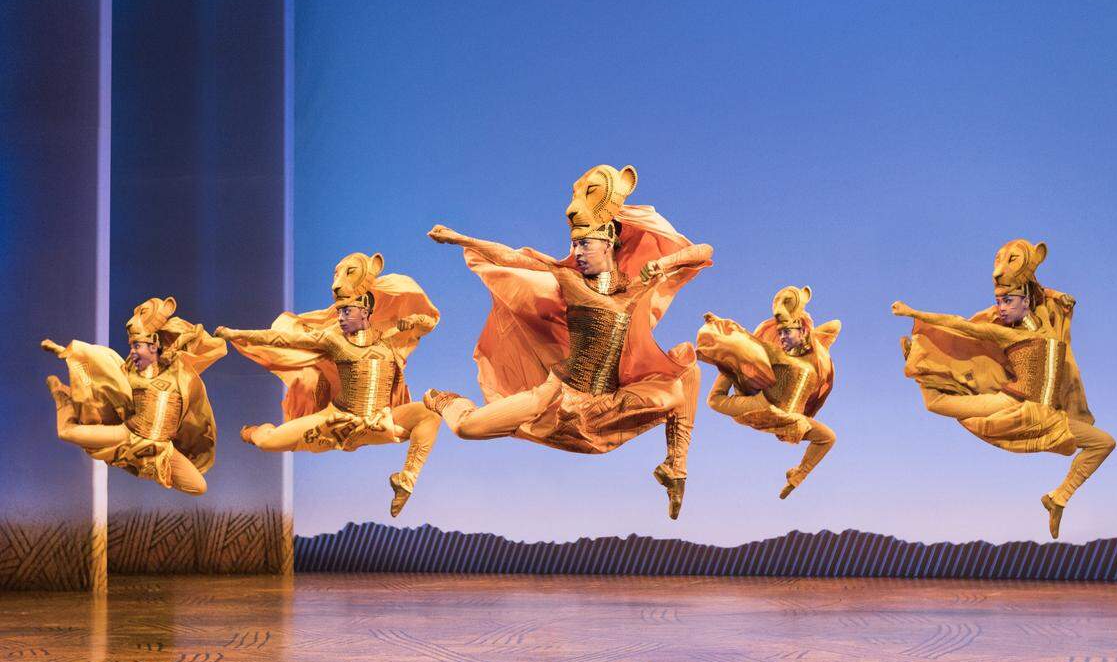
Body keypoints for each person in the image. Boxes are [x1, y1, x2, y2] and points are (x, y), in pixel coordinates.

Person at [425, 164, 712, 518]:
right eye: (574, 244)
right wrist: (462, 239)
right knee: (467, 428)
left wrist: (664, 263)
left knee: (685, 371)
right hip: (555, 398)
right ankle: (442, 400)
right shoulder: (568, 279)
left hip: (605, 405)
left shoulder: (634, 288)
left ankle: (675, 468)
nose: (577, 252)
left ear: (609, 240)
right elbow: (514, 257)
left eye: (585, 244)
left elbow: (702, 250)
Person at [893, 268, 1114, 538]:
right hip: (1011, 404)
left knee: (1104, 443)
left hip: (1048, 415)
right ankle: (922, 361)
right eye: (999, 302)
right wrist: (913, 313)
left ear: (1026, 302)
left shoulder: (1045, 319)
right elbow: (958, 323)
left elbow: (1037, 286)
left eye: (1008, 301)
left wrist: (1060, 295)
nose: (1001, 308)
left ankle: (1057, 498)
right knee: (936, 403)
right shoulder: (1007, 334)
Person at [217, 252, 441, 517]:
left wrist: (414, 321)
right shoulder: (332, 340)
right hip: (336, 422)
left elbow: (429, 322)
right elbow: (281, 340)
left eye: (347, 311)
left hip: (379, 421)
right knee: (269, 442)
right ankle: (254, 432)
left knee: (430, 414)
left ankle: (405, 480)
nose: (341, 317)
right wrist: (237, 334)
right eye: (339, 312)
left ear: (366, 310)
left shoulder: (390, 338)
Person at [42, 297, 224, 495]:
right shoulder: (129, 375)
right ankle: (62, 397)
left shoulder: (177, 371)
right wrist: (64, 351)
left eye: (137, 346)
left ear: (153, 346)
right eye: (131, 347)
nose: (132, 352)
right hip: (126, 435)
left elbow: (198, 339)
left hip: (162, 448)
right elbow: (96, 362)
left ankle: (141, 464)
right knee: (67, 432)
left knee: (198, 487)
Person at [697, 285, 840, 498]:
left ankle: (796, 477)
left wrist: (800, 308)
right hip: (763, 406)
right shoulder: (775, 354)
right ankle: (729, 366)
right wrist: (719, 324)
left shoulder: (813, 356)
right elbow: (746, 340)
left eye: (786, 332)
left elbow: (835, 325)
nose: (781, 336)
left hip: (790, 419)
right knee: (715, 399)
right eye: (780, 332)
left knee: (828, 437)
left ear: (802, 332)